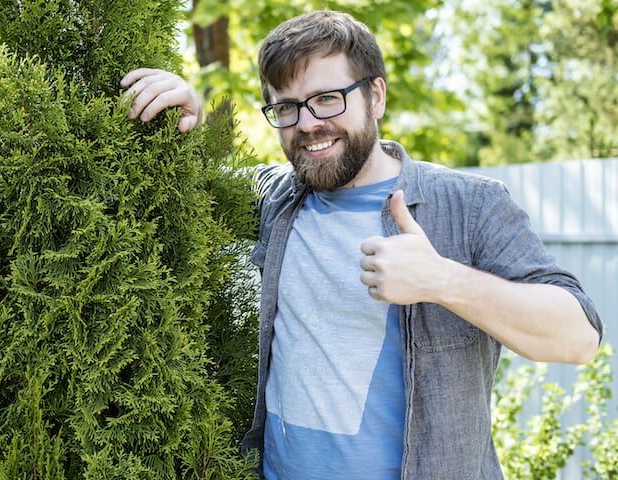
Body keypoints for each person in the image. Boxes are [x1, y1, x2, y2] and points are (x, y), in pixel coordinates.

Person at [120, 10, 602, 479]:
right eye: (286, 107)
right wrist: (190, 114)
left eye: (328, 98)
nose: (307, 123)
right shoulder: (278, 198)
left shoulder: (469, 204)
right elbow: (192, 192)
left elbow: (578, 337)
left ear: (376, 96)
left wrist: (441, 279)